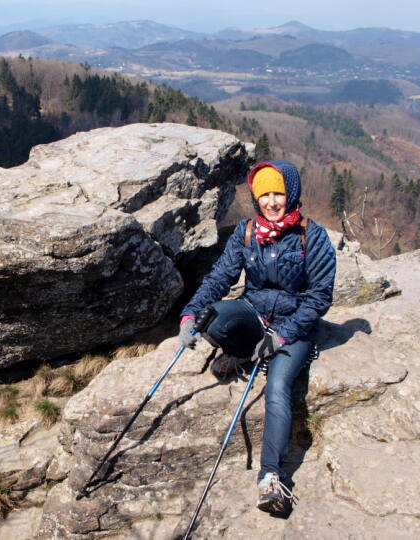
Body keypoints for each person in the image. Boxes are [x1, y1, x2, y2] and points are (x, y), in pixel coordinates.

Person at [177, 159, 336, 515]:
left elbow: (319, 297)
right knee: (213, 319)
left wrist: (281, 337)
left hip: (294, 324)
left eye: (278, 192)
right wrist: (189, 314)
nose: (272, 201)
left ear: (291, 193)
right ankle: (246, 354)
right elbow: (220, 277)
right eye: (264, 194)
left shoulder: (313, 236)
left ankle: (271, 476)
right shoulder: (247, 232)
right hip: (254, 311)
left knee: (277, 388)